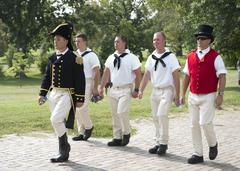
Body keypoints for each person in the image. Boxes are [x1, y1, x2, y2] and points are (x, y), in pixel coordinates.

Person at [38, 23, 85, 163]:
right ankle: (64, 148)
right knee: (57, 121)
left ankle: (64, 150)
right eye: (55, 39)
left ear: (66, 40)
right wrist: (42, 93)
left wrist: (80, 97)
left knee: (55, 120)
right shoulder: (52, 57)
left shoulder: (74, 57)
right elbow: (47, 77)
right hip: (53, 95)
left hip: (67, 95)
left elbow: (80, 79)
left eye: (58, 39)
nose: (55, 41)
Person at [181, 24, 227, 164]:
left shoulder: (215, 57)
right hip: (193, 95)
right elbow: (187, 77)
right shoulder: (190, 56)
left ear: (209, 40)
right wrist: (182, 94)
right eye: (198, 38)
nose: (199, 41)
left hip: (209, 95)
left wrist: (220, 94)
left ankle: (213, 144)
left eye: (202, 38)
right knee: (193, 125)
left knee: (205, 123)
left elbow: (222, 76)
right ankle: (198, 154)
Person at [138, 32, 180, 156]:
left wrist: (177, 94)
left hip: (167, 90)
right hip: (155, 91)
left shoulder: (171, 57)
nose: (156, 42)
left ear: (164, 41)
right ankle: (157, 142)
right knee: (155, 117)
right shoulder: (152, 57)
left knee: (162, 115)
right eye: (154, 40)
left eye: (158, 39)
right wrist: (141, 89)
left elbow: (176, 77)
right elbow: (146, 75)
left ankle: (163, 143)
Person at [98, 35, 142, 146]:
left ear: (124, 43)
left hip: (126, 89)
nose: (115, 43)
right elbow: (106, 73)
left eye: (118, 41)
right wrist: (101, 87)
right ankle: (117, 137)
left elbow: (138, 74)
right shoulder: (111, 57)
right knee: (115, 114)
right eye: (114, 42)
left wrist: (137, 89)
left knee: (121, 112)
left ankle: (126, 133)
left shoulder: (132, 57)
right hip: (112, 89)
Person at [72, 33, 101, 141]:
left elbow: (97, 71)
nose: (76, 43)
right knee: (76, 108)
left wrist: (95, 87)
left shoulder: (91, 55)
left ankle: (89, 127)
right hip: (76, 83)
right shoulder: (74, 54)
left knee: (82, 107)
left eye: (79, 41)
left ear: (85, 42)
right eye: (75, 41)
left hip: (87, 82)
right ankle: (81, 132)